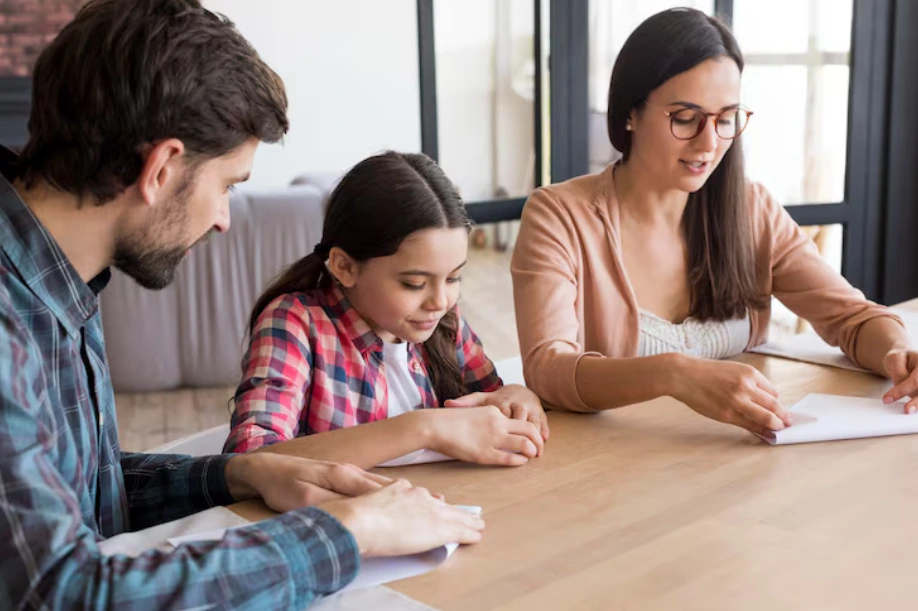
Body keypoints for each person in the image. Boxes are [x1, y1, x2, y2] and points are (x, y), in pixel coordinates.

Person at [0, 1, 482, 608]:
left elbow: (86, 494)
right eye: (228, 185)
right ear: (163, 168)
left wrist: (239, 472)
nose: (226, 219)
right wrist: (347, 534)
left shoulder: (49, 277)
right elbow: (61, 592)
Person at [511, 7, 918, 437]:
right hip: (612, 471)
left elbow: (853, 318)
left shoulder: (751, 209)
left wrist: (899, 351)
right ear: (630, 113)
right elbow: (548, 370)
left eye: (725, 119)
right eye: (685, 118)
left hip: (735, 461)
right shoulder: (558, 217)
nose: (709, 143)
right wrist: (673, 374)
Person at [224, 151, 548, 469]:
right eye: (415, 283)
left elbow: (490, 397)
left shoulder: (443, 319)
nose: (440, 301)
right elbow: (252, 460)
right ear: (344, 266)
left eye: (453, 277)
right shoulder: (295, 323)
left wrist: (515, 397)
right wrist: (424, 429)